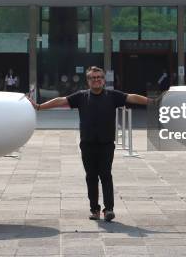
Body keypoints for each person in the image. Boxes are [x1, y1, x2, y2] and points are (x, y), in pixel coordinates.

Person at [27, 66, 149, 222]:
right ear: (88, 81)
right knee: (91, 177)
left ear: (103, 80)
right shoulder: (81, 96)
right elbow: (61, 100)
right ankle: (95, 210)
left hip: (106, 144)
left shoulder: (112, 96)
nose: (96, 80)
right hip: (87, 144)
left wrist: (152, 102)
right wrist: (39, 107)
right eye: (93, 78)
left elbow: (131, 97)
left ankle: (109, 209)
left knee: (106, 175)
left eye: (99, 77)